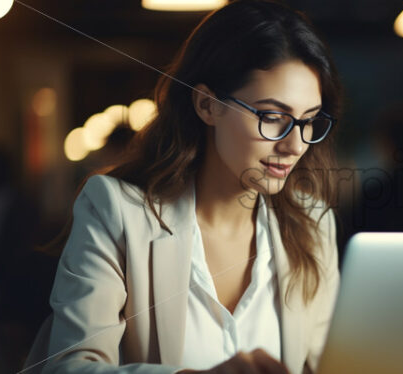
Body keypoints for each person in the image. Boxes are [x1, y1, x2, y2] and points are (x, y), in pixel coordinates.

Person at [24, 1, 343, 373]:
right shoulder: (116, 212)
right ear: (207, 105)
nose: (295, 145)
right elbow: (70, 367)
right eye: (273, 117)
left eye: (308, 121)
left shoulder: (313, 224)